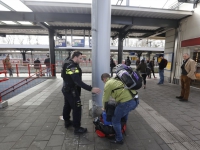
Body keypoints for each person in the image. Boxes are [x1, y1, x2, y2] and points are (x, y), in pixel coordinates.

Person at [61, 51, 101, 134]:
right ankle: (77, 128)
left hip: (66, 89)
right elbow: (77, 81)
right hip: (71, 91)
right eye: (80, 58)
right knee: (77, 108)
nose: (81, 60)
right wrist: (91, 89)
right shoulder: (72, 66)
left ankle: (67, 122)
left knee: (67, 105)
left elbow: (64, 76)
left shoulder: (67, 62)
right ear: (75, 57)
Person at [101, 73, 139, 144]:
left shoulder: (108, 83)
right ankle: (123, 127)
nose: (104, 82)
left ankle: (119, 139)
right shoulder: (116, 79)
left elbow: (105, 98)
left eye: (103, 81)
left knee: (115, 121)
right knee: (124, 113)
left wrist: (104, 107)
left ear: (104, 79)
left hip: (126, 102)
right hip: (135, 99)